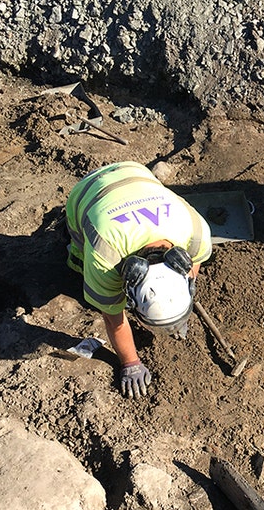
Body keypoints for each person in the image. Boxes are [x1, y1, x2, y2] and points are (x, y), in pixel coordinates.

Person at [65, 161, 212, 398]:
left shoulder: (197, 235)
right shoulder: (105, 257)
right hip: (87, 191)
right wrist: (130, 362)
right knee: (80, 260)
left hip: (136, 171)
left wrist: (174, 311)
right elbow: (114, 320)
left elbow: (193, 268)